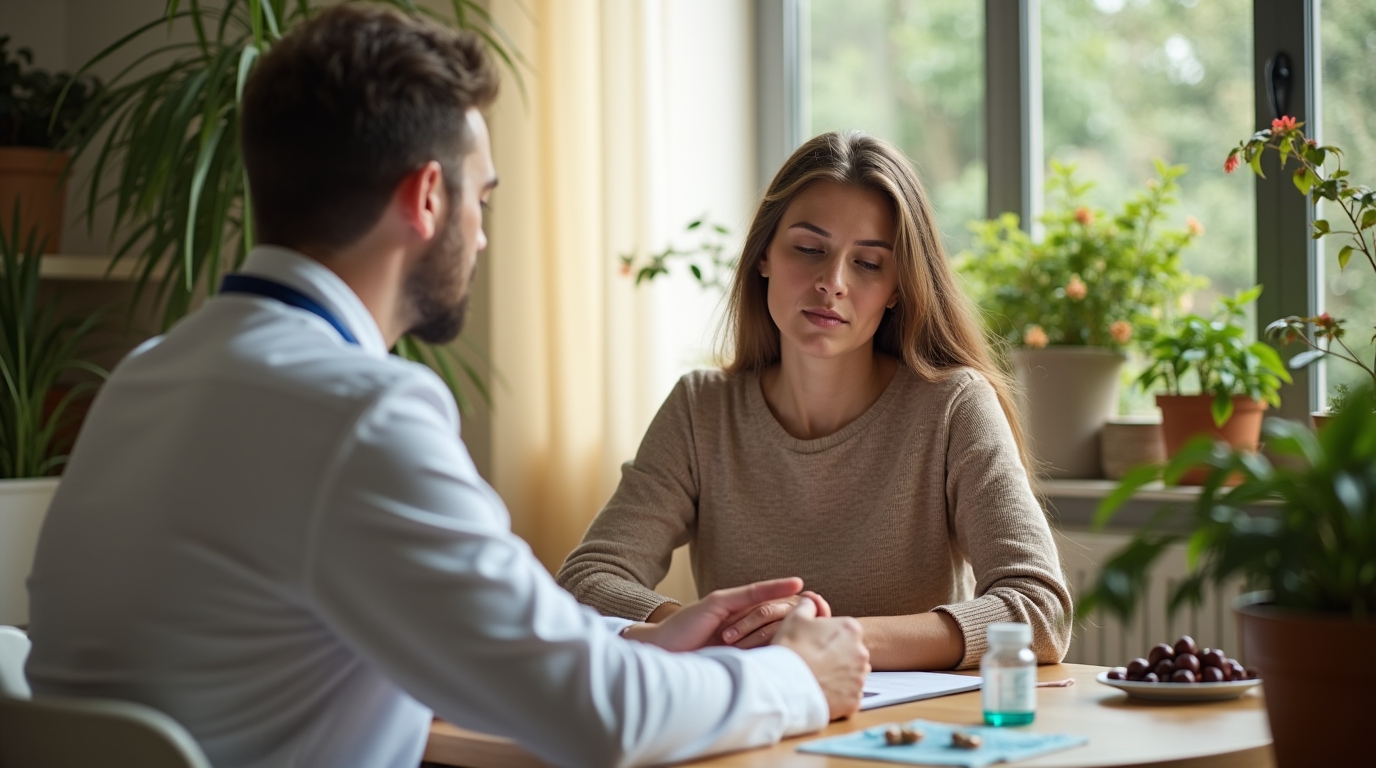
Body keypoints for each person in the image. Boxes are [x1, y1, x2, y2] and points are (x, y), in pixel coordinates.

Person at [23, 7, 870, 768]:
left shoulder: (145, 376)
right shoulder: (359, 414)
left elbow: (474, 644)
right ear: (428, 196)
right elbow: (599, 721)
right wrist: (797, 676)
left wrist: (648, 643)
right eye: (484, 199)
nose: (483, 236)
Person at [556, 131, 1073, 672]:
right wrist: (715, 630)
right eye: (808, 250)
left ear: (898, 286)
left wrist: (833, 640)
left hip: (907, 739)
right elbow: (588, 580)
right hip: (756, 732)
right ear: (764, 258)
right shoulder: (699, 410)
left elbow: (1041, 613)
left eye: (869, 263)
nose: (832, 282)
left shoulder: (953, 407)